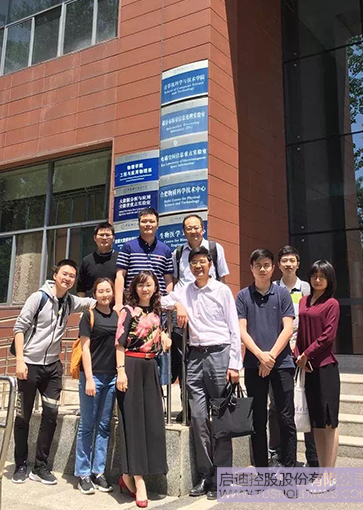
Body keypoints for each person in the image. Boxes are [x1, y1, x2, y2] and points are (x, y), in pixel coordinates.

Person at [162, 246, 242, 500]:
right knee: (197, 418)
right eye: (193, 262)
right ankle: (205, 475)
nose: (198, 266)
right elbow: (161, 301)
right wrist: (178, 304)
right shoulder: (184, 290)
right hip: (194, 357)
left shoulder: (222, 290)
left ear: (210, 265)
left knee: (221, 419)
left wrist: (234, 364)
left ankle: (222, 477)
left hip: (220, 354)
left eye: (202, 262)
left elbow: (234, 328)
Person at [12, 260, 96, 485]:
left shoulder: (70, 301)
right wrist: (20, 360)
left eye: (72, 276)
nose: (68, 279)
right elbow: (19, 328)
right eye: (64, 274)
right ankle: (20, 464)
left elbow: (94, 301)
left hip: (52, 368)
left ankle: (40, 466)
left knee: (50, 417)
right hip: (29, 365)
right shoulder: (38, 298)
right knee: (23, 417)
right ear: (55, 274)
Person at [236, 248, 296, 469]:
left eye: (266, 265)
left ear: (273, 268)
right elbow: (241, 330)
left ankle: (289, 468)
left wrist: (270, 357)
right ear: (251, 268)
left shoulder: (282, 294)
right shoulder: (243, 296)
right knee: (258, 418)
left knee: (286, 417)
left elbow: (288, 328)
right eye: (258, 265)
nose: (262, 269)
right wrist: (261, 356)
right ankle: (262, 470)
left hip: (282, 364)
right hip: (254, 365)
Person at [115, 271, 171, 508]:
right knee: (134, 422)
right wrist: (121, 371)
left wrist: (165, 337)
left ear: (155, 287)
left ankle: (127, 476)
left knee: (153, 421)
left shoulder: (158, 312)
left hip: (151, 367)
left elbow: (158, 334)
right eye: (141, 285)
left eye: (149, 285)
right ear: (135, 288)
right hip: (131, 365)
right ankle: (139, 481)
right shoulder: (128, 311)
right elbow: (119, 343)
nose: (145, 289)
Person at [170, 214, 230, 411]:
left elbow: (223, 280)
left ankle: (214, 409)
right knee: (185, 361)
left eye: (196, 227)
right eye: (189, 228)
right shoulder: (178, 253)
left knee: (212, 362)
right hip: (183, 313)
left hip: (208, 314)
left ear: (203, 229)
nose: (193, 231)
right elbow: (176, 283)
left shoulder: (215, 249)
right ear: (184, 231)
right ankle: (189, 408)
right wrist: (178, 305)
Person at [268, 245, 319, 468]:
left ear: (298, 263)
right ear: (278, 265)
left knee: (307, 402)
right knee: (276, 405)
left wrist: (306, 350)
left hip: (303, 353)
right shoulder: (272, 288)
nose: (288, 264)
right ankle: (276, 453)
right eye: (284, 261)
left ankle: (312, 457)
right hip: (279, 352)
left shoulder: (307, 288)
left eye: (292, 260)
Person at [295, 259, 340, 477]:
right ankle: (322, 472)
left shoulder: (332, 304)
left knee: (329, 423)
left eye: (322, 276)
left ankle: (329, 475)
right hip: (307, 367)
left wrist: (307, 354)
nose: (318, 279)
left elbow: (328, 336)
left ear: (329, 279)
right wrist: (298, 355)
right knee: (317, 424)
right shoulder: (304, 301)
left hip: (325, 367)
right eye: (314, 275)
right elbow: (300, 331)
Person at [75, 278, 118, 494]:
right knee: (87, 425)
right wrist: (90, 378)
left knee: (103, 425)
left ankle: (98, 471)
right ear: (95, 294)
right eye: (100, 291)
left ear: (113, 293)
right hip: (93, 377)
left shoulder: (118, 316)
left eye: (108, 290)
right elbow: (85, 348)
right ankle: (83, 473)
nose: (105, 294)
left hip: (112, 377)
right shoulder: (88, 315)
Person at [115, 208, 173, 309]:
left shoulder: (165, 250)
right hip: (133, 304)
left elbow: (168, 280)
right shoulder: (128, 247)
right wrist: (118, 303)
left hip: (158, 305)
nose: (148, 224)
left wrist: (169, 302)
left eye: (152, 221)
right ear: (139, 224)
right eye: (144, 221)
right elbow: (120, 276)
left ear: (157, 225)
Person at [77, 222, 118, 297]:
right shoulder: (87, 261)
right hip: (91, 303)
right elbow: (81, 288)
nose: (104, 238)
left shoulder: (121, 259)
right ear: (95, 238)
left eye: (107, 235)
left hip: (115, 303)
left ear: (113, 238)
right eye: (101, 235)